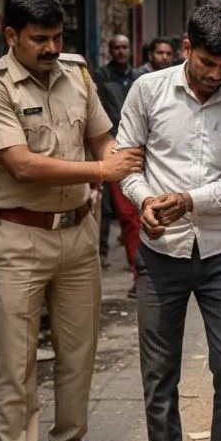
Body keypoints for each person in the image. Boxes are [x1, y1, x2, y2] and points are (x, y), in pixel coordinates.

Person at [0, 0, 140, 441]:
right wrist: (101, 173)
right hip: (20, 238)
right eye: (38, 38)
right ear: (11, 35)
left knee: (78, 350)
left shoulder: (76, 73)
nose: (49, 47)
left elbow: (103, 139)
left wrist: (129, 181)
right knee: (17, 363)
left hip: (78, 234)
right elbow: (21, 164)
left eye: (56, 37)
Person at [116, 5, 221, 441]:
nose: (216, 75)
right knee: (159, 371)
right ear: (185, 49)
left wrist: (189, 201)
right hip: (159, 255)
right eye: (206, 63)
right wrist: (145, 202)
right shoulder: (147, 91)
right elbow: (126, 161)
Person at [93, 34, 143, 293]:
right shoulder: (101, 77)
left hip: (140, 150)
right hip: (112, 149)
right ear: (110, 50)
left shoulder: (139, 79)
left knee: (136, 215)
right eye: (117, 47)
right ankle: (135, 270)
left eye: (125, 47)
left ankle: (141, 274)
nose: (122, 51)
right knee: (121, 213)